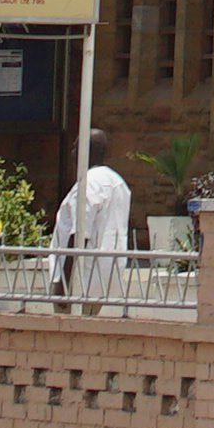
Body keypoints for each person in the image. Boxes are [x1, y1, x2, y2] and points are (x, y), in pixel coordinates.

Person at [51, 130, 133, 309]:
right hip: (106, 280)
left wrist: (63, 285)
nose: (72, 153)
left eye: (75, 148)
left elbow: (79, 235)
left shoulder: (88, 184)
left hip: (80, 282)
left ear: (84, 152)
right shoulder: (118, 182)